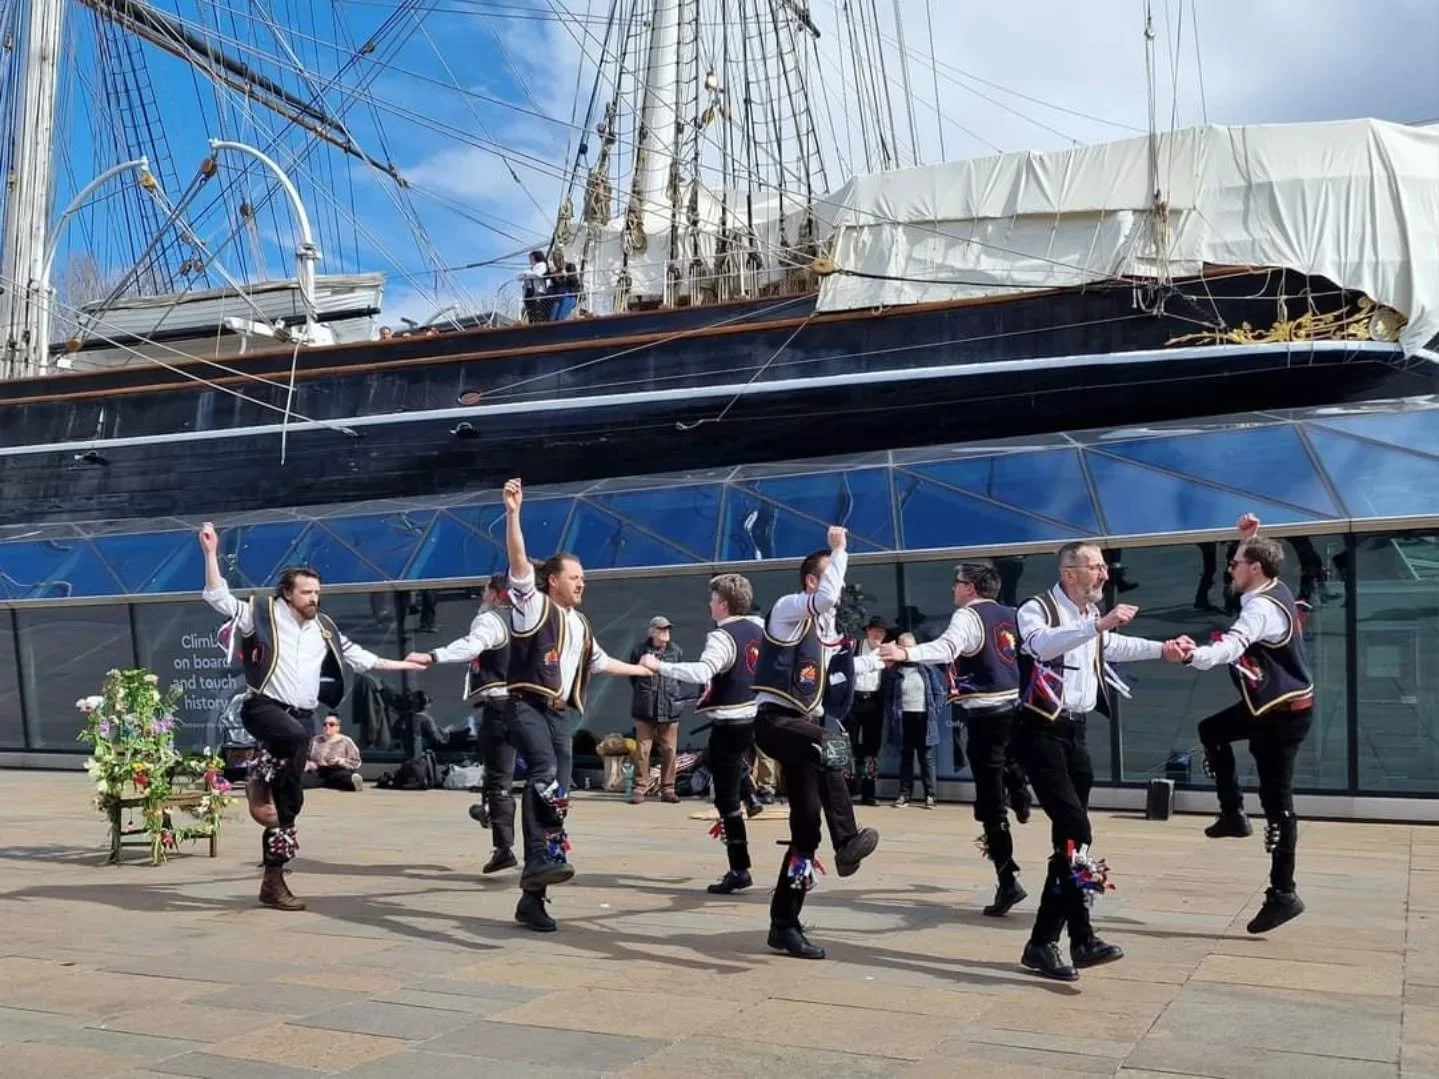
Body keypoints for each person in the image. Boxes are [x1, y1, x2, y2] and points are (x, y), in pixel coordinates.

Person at [198, 523, 422, 911]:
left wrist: (404, 663)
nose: (314, 598)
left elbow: (360, 658)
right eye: (306, 592)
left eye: (317, 592)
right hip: (263, 708)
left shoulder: (324, 628)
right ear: (288, 593)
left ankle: (273, 880)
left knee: (290, 806)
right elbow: (218, 597)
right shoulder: (262, 614)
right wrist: (210, 553)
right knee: (298, 740)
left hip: (300, 717)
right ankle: (258, 780)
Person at [1012, 541, 1192, 980]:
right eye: (1096, 567)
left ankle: (1060, 942)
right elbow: (1042, 646)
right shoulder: (1036, 609)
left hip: (1075, 733)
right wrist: (1097, 625)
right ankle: (1068, 939)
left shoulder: (1089, 616)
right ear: (1069, 572)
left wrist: (1163, 649)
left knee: (1071, 844)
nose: (1105, 574)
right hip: (1039, 732)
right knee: (1078, 831)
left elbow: (1112, 646)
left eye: (1104, 567)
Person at [500, 477, 656, 932]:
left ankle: (533, 898)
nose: (582, 583)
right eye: (575, 577)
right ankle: (537, 859)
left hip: (560, 715)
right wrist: (513, 514)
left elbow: (600, 662)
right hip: (526, 704)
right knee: (544, 773)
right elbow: (518, 564)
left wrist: (642, 670)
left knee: (560, 795)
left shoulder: (581, 623)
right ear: (553, 581)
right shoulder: (532, 607)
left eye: (583, 578)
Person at [752, 526, 882, 960]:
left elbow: (839, 672)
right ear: (812, 580)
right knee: (832, 743)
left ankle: (784, 924)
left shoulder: (825, 630)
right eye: (830, 577)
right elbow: (826, 599)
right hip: (776, 721)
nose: (838, 589)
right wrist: (840, 549)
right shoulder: (788, 609)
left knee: (806, 828)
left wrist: (883, 659)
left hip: (804, 726)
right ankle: (846, 840)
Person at [878, 562, 1030, 917]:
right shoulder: (1011, 614)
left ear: (971, 587)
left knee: (990, 804)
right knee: (1007, 762)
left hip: (986, 714)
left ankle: (1008, 881)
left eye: (957, 582)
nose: (953, 588)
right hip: (1014, 709)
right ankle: (1019, 785)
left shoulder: (968, 616)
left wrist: (906, 653)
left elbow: (947, 648)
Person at [1186, 513, 1314, 934]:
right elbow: (1258, 560)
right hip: (1268, 708)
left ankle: (1283, 894)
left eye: (1236, 562)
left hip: (1284, 716)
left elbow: (1233, 645)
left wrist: (1195, 656)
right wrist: (1250, 537)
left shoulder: (1260, 608)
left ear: (1255, 568)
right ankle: (1233, 814)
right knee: (1211, 731)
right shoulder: (1272, 586)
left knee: (1279, 804)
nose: (1230, 568)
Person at [640, 573, 763, 894]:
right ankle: (750, 794)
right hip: (753, 717)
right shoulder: (758, 628)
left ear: (723, 604)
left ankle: (740, 869)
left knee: (725, 799)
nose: (710, 604)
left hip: (730, 721)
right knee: (715, 756)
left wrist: (658, 666)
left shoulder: (722, 637)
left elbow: (703, 671)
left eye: (713, 599)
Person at [406, 574, 518, 875]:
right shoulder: (529, 619)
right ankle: (544, 846)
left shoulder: (491, 620)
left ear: (495, 593)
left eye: (485, 590)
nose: (482, 595)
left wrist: (433, 655)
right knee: (539, 775)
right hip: (530, 705)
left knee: (499, 777)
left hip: (500, 704)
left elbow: (471, 646)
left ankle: (503, 846)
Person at [881, 632, 944, 809]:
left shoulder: (926, 669)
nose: (907, 650)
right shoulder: (895, 671)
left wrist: (934, 712)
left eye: (910, 646)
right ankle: (904, 795)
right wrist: (892, 714)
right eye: (903, 646)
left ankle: (930, 796)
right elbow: (888, 697)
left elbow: (939, 694)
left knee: (926, 758)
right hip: (904, 718)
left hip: (924, 717)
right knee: (906, 757)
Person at [628, 615, 687, 803]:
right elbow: (633, 677)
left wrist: (672, 696)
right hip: (645, 708)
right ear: (652, 631)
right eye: (661, 629)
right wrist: (645, 694)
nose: (665, 633)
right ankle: (640, 788)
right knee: (643, 750)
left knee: (669, 749)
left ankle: (668, 788)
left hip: (669, 707)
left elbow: (678, 677)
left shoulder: (676, 651)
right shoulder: (639, 651)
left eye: (667, 629)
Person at [847, 616, 886, 805]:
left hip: (873, 701)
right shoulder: (854, 646)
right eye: (875, 631)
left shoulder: (885, 651)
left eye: (881, 632)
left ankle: (869, 793)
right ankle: (847, 790)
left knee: (872, 748)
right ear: (868, 631)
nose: (877, 635)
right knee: (848, 745)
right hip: (852, 700)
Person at [303, 715, 364, 791]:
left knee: (345, 779)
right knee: (301, 780)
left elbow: (356, 762)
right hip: (318, 772)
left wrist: (340, 761)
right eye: (325, 724)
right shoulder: (315, 740)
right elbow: (306, 756)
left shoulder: (346, 741)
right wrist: (309, 764)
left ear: (338, 728)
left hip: (337, 770)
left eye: (331, 724)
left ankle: (354, 782)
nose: (327, 726)